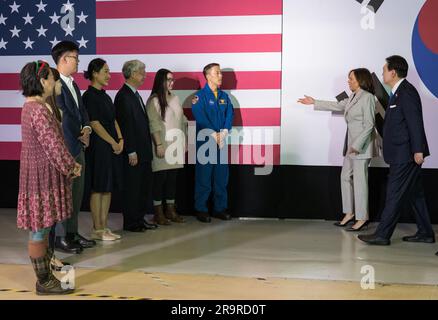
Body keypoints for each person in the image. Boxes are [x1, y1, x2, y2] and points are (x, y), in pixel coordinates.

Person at [17, 60, 81, 295]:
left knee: (42, 227)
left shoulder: (30, 107)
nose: (55, 81)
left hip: (38, 175)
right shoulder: (39, 110)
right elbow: (53, 145)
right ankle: (44, 281)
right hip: (42, 177)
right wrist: (71, 166)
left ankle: (46, 276)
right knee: (40, 229)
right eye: (52, 78)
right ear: (43, 81)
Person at [358, 55, 434, 246]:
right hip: (402, 153)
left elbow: (415, 123)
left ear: (393, 72)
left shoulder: (406, 93)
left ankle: (382, 235)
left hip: (406, 155)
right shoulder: (397, 92)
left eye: (384, 69)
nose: (382, 72)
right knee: (415, 195)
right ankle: (426, 232)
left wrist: (418, 150)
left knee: (394, 195)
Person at [298, 68, 378, 231]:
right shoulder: (353, 97)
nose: (348, 81)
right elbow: (337, 105)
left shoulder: (368, 97)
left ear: (361, 80)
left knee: (360, 182)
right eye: (348, 79)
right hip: (351, 145)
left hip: (361, 147)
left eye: (351, 79)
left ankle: (362, 218)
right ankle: (349, 213)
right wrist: (314, 102)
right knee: (344, 177)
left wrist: (357, 145)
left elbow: (370, 124)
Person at [51, 40, 96, 253]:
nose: (78, 62)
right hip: (67, 147)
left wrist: (87, 129)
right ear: (64, 59)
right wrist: (79, 135)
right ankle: (60, 237)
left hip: (79, 145)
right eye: (76, 58)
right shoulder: (54, 84)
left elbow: (82, 112)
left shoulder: (74, 84)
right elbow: (64, 118)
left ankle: (72, 232)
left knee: (76, 193)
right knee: (63, 194)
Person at [83, 58, 124, 241]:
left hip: (111, 146)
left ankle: (104, 227)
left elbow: (114, 120)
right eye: (105, 71)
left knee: (107, 188)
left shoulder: (106, 96)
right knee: (98, 187)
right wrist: (112, 142)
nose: (109, 75)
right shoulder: (89, 96)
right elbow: (95, 124)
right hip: (99, 146)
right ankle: (96, 229)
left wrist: (121, 139)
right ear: (95, 73)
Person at [115, 60, 156, 232]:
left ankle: (139, 218)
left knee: (142, 188)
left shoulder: (135, 94)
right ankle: (131, 222)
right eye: (142, 72)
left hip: (143, 150)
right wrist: (131, 150)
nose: (144, 75)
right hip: (134, 151)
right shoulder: (123, 96)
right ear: (132, 74)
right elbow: (126, 126)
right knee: (133, 188)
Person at [191, 63, 234, 223]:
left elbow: (230, 114)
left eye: (220, 72)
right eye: (217, 73)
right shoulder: (199, 97)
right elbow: (200, 117)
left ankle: (219, 208)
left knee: (221, 176)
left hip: (221, 142)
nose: (220, 76)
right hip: (205, 142)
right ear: (208, 76)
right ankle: (201, 209)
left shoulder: (224, 97)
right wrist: (213, 134)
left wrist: (223, 132)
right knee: (204, 176)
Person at [146, 69, 187, 225]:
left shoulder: (175, 98)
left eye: (172, 79)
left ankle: (170, 210)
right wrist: (158, 144)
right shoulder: (154, 100)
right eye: (168, 79)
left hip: (176, 145)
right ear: (160, 80)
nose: (171, 82)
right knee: (160, 179)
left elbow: (182, 121)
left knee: (172, 179)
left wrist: (183, 142)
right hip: (162, 144)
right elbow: (153, 124)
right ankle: (158, 212)